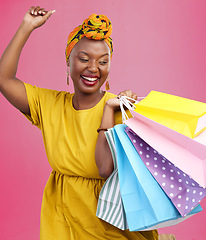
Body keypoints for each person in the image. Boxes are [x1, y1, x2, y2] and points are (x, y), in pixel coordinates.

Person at [0, 6, 158, 240]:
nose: (93, 68)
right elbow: (4, 79)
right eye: (84, 59)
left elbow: (110, 171)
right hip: (61, 214)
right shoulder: (49, 104)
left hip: (107, 219)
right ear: (69, 62)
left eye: (103, 61)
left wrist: (112, 109)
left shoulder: (121, 110)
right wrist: (27, 26)